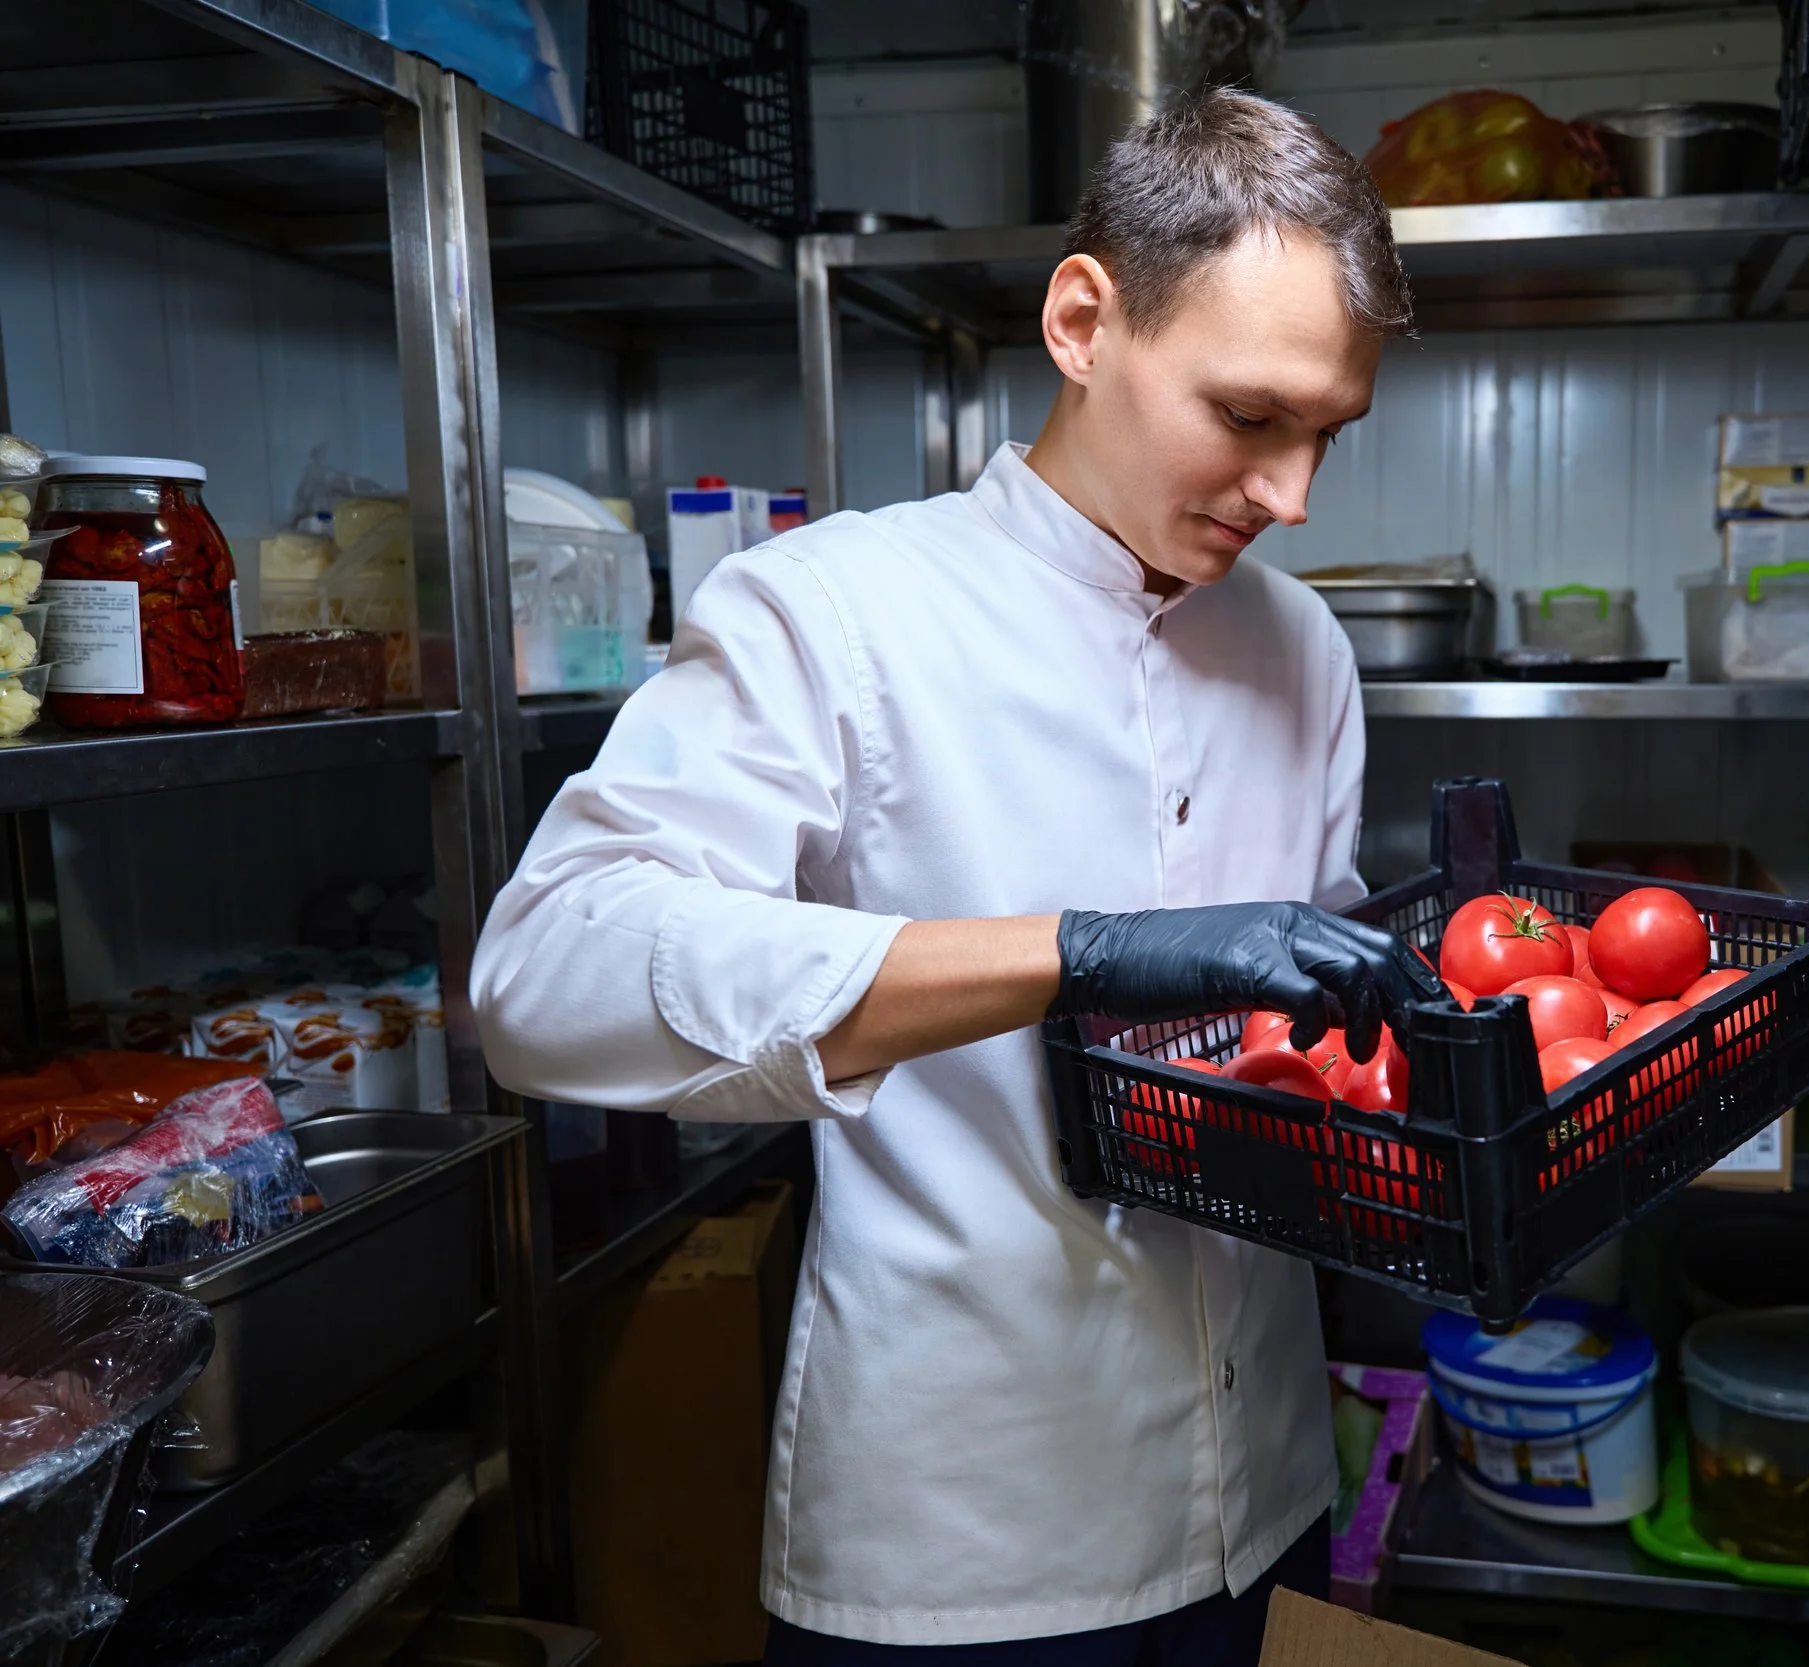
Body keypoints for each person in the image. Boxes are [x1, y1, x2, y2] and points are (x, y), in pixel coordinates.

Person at [471, 90, 1442, 1666]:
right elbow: (546, 974)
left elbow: (1307, 1052)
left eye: (1329, 432)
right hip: (967, 1535)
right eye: (1251, 417)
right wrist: (1078, 949)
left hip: (1265, 1485)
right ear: (1082, 319)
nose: (1294, 497)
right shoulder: (834, 614)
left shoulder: (1303, 648)